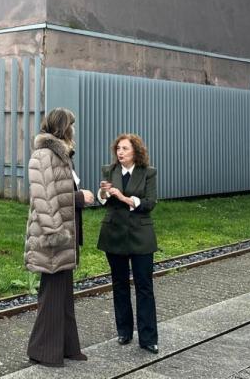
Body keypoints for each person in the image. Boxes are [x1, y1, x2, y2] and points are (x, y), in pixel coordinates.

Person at [24, 107, 95, 367]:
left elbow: (61, 190)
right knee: (52, 296)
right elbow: (45, 198)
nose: (74, 130)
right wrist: (78, 199)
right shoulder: (43, 155)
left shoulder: (62, 155)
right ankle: (43, 351)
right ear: (63, 127)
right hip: (53, 237)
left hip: (65, 236)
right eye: (71, 126)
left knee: (63, 295)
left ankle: (67, 348)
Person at [96, 133, 159, 354]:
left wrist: (124, 198)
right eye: (118, 149)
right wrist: (103, 193)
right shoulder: (109, 171)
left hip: (141, 236)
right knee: (119, 285)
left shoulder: (148, 173)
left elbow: (150, 203)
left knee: (144, 286)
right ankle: (124, 331)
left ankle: (148, 338)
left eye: (124, 149)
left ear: (136, 152)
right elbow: (103, 201)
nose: (120, 152)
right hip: (114, 234)